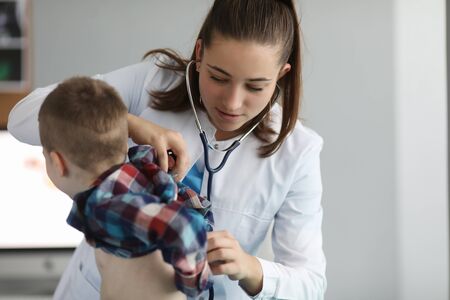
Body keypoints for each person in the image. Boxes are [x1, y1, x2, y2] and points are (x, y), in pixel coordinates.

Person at [7, 0, 326, 299]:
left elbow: (312, 283)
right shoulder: (152, 83)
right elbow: (22, 118)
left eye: (255, 86)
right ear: (199, 54)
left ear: (281, 75)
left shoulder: (299, 152)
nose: (232, 102)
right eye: (218, 77)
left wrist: (251, 268)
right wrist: (126, 122)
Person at [37, 76, 213, 299]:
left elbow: (183, 226)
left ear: (57, 163)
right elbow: (194, 209)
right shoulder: (139, 176)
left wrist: (194, 282)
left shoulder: (103, 206)